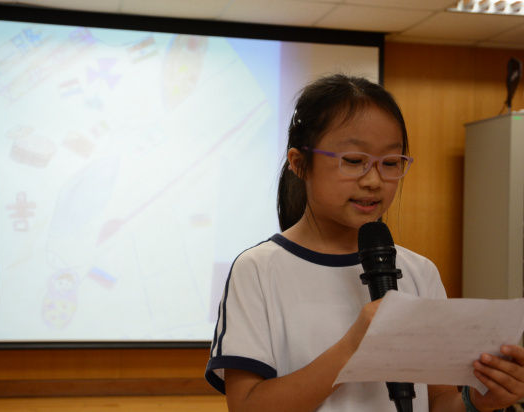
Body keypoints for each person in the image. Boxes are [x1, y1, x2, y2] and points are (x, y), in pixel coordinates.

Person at [204, 74, 524, 412]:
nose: (374, 180)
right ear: (300, 163)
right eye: (354, 161)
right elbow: (247, 405)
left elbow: (437, 401)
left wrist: (474, 401)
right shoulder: (258, 270)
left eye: (391, 163)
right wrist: (354, 345)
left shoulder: (420, 271)